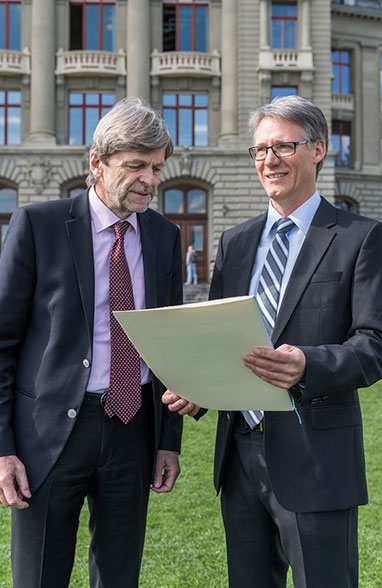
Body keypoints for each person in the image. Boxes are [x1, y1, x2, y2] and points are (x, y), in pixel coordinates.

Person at [163, 95, 382, 588]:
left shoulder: (361, 237)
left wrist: (309, 364)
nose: (269, 160)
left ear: (318, 150)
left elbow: (376, 345)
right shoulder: (236, 242)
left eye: (284, 147)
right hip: (239, 458)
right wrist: (196, 386)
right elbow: (221, 337)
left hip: (316, 458)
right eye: (261, 150)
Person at [0, 97, 183, 588]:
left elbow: (170, 345)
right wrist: (2, 449)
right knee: (39, 577)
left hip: (133, 429)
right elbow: (2, 343)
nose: (150, 179)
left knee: (120, 576)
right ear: (96, 163)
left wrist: (168, 441)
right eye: (136, 166)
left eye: (157, 167)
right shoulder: (38, 225)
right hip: (47, 434)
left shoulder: (166, 236)